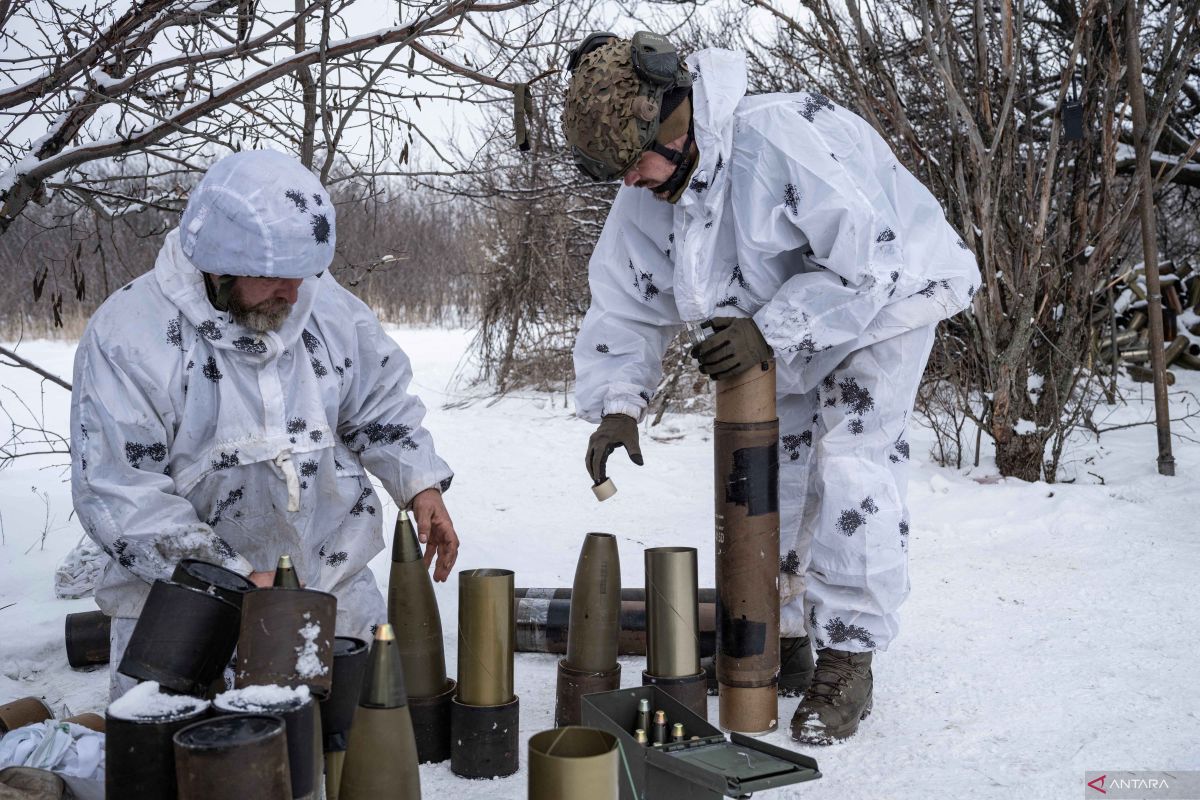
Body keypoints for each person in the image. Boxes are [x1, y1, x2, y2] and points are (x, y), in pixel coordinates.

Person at [563, 33, 979, 743]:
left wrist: (772, 331)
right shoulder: (652, 186)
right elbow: (624, 305)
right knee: (770, 476)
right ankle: (779, 634)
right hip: (784, 319)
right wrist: (617, 406)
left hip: (888, 300)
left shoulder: (777, 140)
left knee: (852, 461)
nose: (628, 181)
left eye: (632, 164)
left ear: (672, 117)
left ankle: (849, 653)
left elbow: (866, 265)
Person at [69, 150, 459, 699]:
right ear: (220, 261)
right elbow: (116, 490)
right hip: (184, 609)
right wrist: (228, 574)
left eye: (305, 276)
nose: (294, 294)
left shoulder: (327, 311)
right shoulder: (129, 336)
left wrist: (420, 484)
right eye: (277, 278)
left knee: (352, 755)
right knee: (196, 773)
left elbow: (380, 402)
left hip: (332, 588)